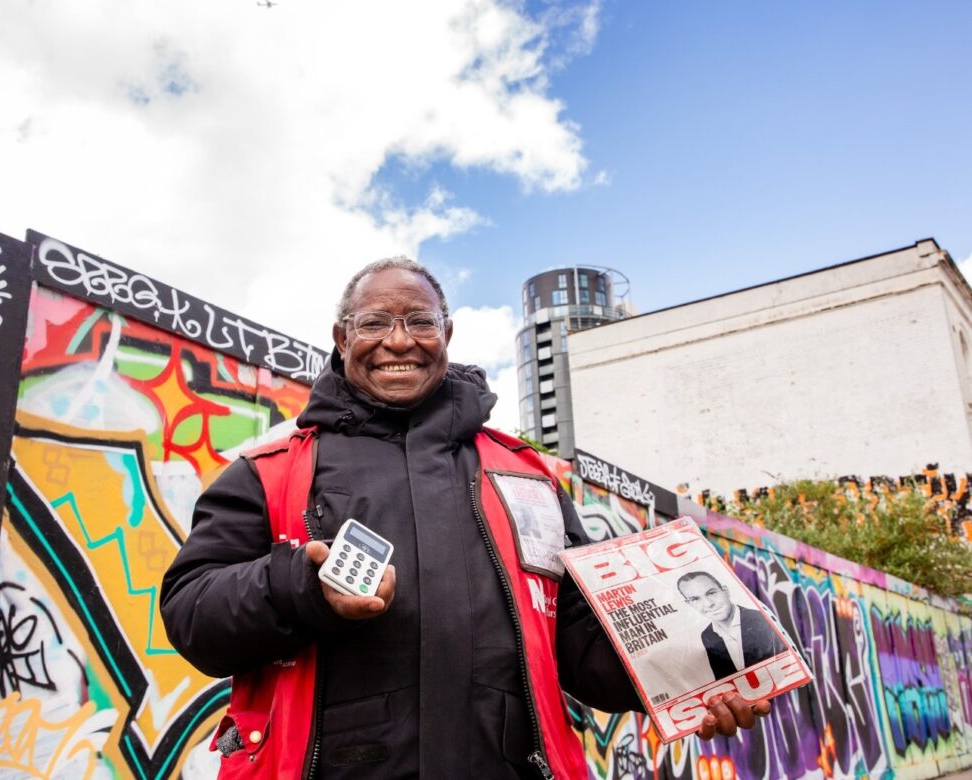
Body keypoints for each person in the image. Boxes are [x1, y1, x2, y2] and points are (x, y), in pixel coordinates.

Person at [161, 258, 769, 779]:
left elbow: (581, 640)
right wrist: (301, 587)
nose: (398, 342)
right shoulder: (267, 471)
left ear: (446, 333)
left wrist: (693, 678)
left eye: (419, 322)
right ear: (341, 339)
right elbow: (192, 613)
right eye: (374, 323)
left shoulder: (527, 477)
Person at [676, 570, 786, 680]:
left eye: (711, 593)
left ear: (725, 591)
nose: (709, 604)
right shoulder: (707, 635)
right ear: (689, 604)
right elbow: (725, 679)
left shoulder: (760, 619)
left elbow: (786, 666)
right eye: (695, 599)